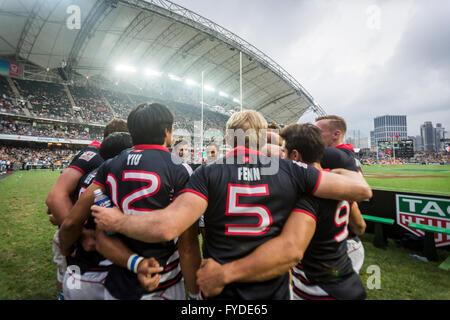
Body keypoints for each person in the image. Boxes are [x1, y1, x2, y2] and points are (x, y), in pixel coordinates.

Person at [92, 110, 372, 300]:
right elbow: (361, 190)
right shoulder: (292, 171)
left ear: (228, 139)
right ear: (263, 138)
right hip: (271, 288)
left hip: (220, 289)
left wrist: (118, 221)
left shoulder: (208, 172)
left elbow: (168, 227)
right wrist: (336, 172)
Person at [194, 123, 366, 300]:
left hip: (320, 286)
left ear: (295, 155)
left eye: (284, 152)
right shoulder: (335, 186)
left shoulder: (304, 194)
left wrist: (224, 274)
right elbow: (360, 225)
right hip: (344, 271)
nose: (281, 156)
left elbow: (290, 251)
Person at [59, 103, 201, 300]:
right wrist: (194, 295)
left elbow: (72, 221)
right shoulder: (179, 168)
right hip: (162, 281)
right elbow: (187, 245)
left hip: (118, 281)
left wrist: (65, 249)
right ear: (168, 132)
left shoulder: (110, 165)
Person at [46, 118, 128, 299]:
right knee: (69, 274)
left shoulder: (100, 160)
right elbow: (54, 198)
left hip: (81, 236)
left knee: (70, 279)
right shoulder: (94, 155)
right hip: (80, 238)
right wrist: (80, 234)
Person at [62, 132, 133, 300]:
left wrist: (66, 247)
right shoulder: (115, 180)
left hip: (78, 268)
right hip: (99, 271)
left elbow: (71, 222)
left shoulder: (88, 176)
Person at [315, 115, 366, 273]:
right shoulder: (346, 155)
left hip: (338, 244)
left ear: (336, 134)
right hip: (345, 238)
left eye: (318, 132)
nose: (314, 137)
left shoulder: (331, 156)